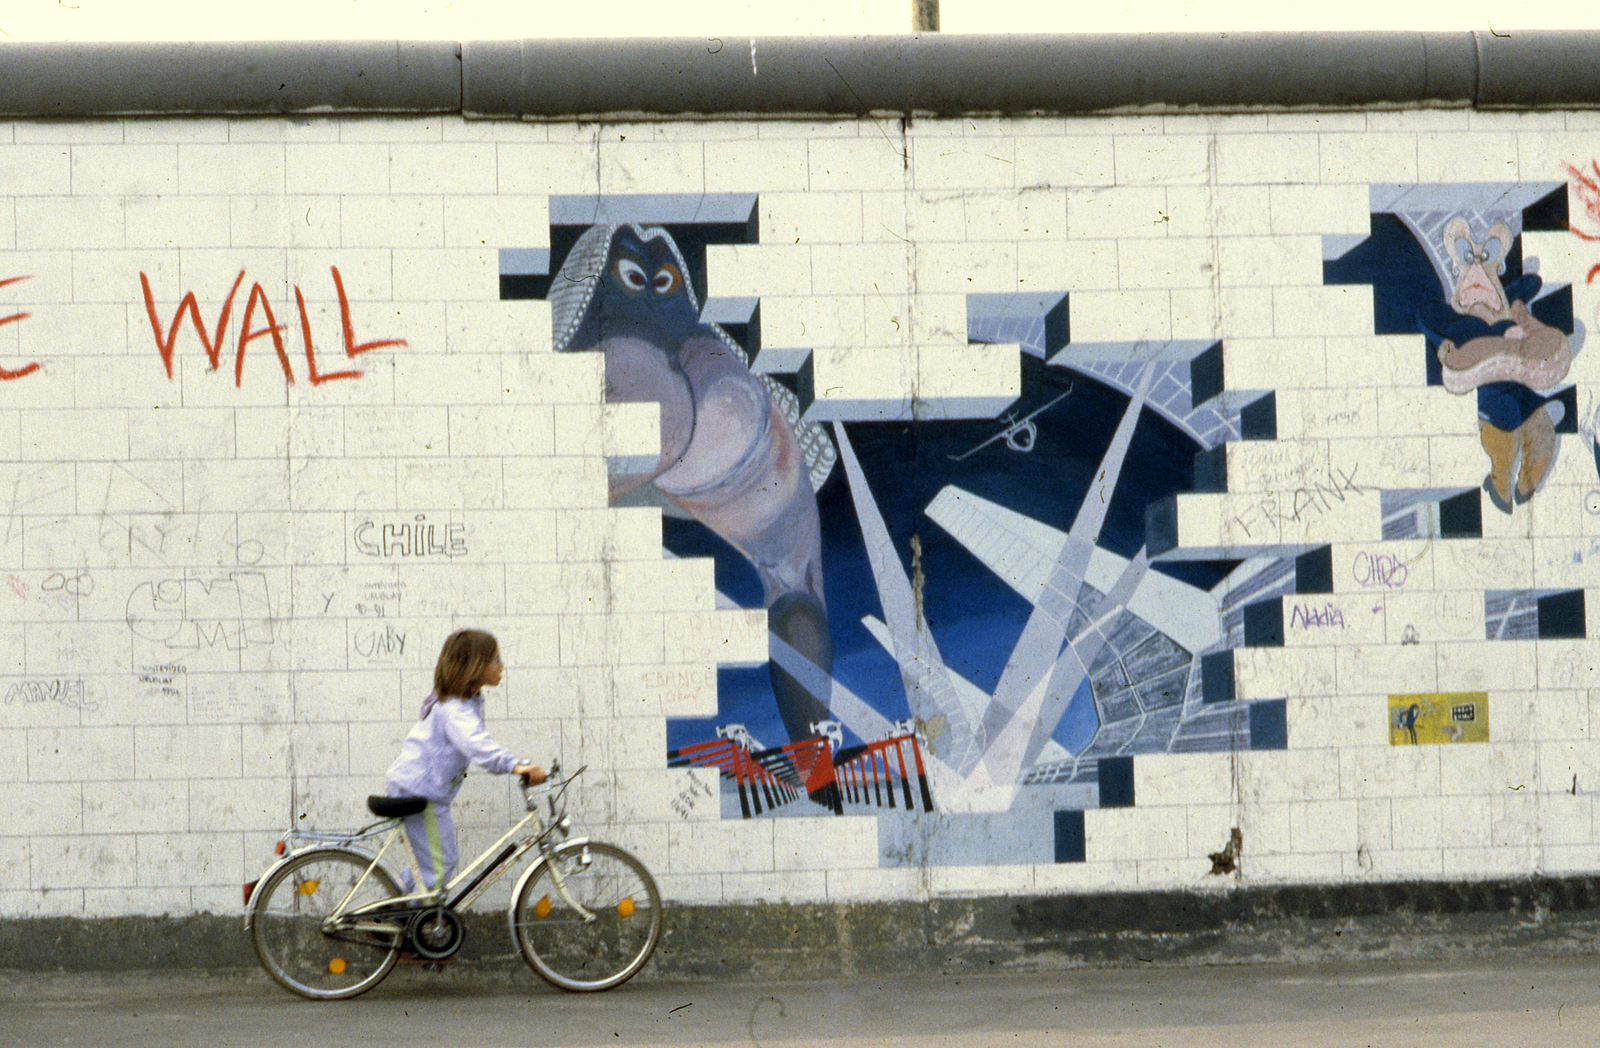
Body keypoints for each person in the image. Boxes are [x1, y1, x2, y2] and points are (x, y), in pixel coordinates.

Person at [385, 629, 545, 893]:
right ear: (475, 666)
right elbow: (476, 744)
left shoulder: (462, 702)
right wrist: (515, 765)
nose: (501, 665)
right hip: (420, 794)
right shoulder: (455, 709)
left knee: (429, 865)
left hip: (419, 789)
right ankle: (400, 923)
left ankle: (387, 910)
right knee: (441, 864)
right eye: (495, 659)